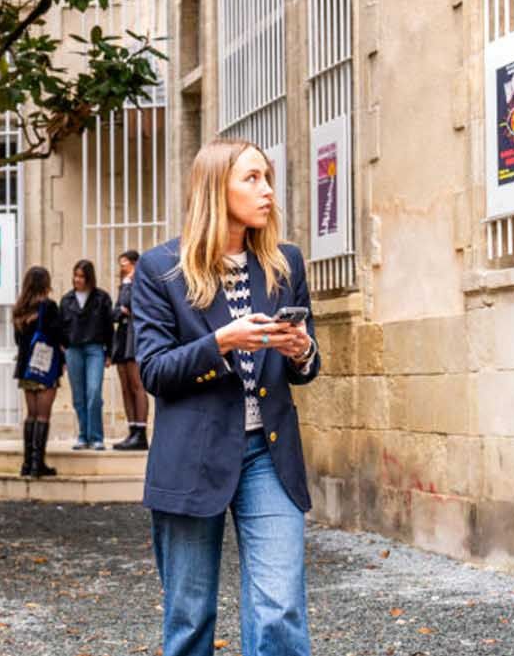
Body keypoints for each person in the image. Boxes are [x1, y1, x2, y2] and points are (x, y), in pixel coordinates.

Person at [133, 137, 320, 656]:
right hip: (192, 456)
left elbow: (304, 366)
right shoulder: (161, 269)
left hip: (269, 454)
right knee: (190, 617)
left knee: (280, 607)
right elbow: (154, 370)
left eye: (268, 179)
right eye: (252, 179)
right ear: (218, 189)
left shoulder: (285, 263)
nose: (267, 192)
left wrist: (302, 351)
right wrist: (221, 342)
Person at [12, 266, 63, 478]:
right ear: (45, 284)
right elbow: (57, 334)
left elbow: (17, 340)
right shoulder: (48, 307)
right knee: (43, 415)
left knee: (31, 415)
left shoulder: (20, 309)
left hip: (25, 367)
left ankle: (27, 463)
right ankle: (37, 464)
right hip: (44, 366)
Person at [60, 259, 115, 450]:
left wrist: (109, 352)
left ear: (89, 277)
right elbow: (61, 329)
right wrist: (62, 356)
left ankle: (96, 437)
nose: (77, 279)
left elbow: (109, 327)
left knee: (93, 392)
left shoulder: (101, 298)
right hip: (73, 350)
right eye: (75, 275)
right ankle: (83, 435)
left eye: (81, 276)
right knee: (78, 396)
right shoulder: (67, 300)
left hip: (95, 349)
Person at [109, 249, 150, 451]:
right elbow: (116, 312)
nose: (121, 267)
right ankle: (132, 429)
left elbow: (129, 304)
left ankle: (141, 432)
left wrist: (127, 293)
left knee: (136, 385)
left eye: (124, 263)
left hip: (135, 336)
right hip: (123, 336)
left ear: (135, 264)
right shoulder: (124, 285)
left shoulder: (138, 283)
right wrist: (122, 310)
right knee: (125, 386)